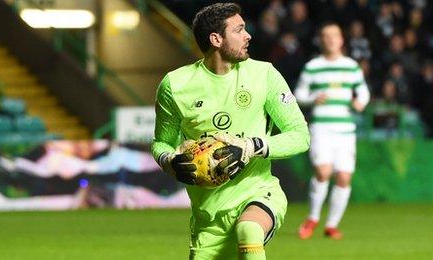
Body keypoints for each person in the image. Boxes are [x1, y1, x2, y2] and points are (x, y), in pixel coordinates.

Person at [151, 3, 310, 259]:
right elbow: (160, 143)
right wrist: (169, 161)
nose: (248, 36)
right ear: (216, 39)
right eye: (239, 30)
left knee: (248, 230)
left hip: (258, 193)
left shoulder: (264, 75)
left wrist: (251, 146)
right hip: (208, 217)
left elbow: (300, 136)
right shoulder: (175, 85)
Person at [294, 22, 370, 240]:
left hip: (345, 129)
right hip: (321, 127)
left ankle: (331, 225)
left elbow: (363, 91)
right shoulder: (313, 66)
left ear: (341, 40)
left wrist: (360, 102)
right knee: (323, 173)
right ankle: (313, 217)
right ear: (321, 40)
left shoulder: (351, 66)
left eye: (334, 36)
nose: (331, 40)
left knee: (344, 177)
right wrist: (311, 98)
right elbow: (298, 93)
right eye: (326, 36)